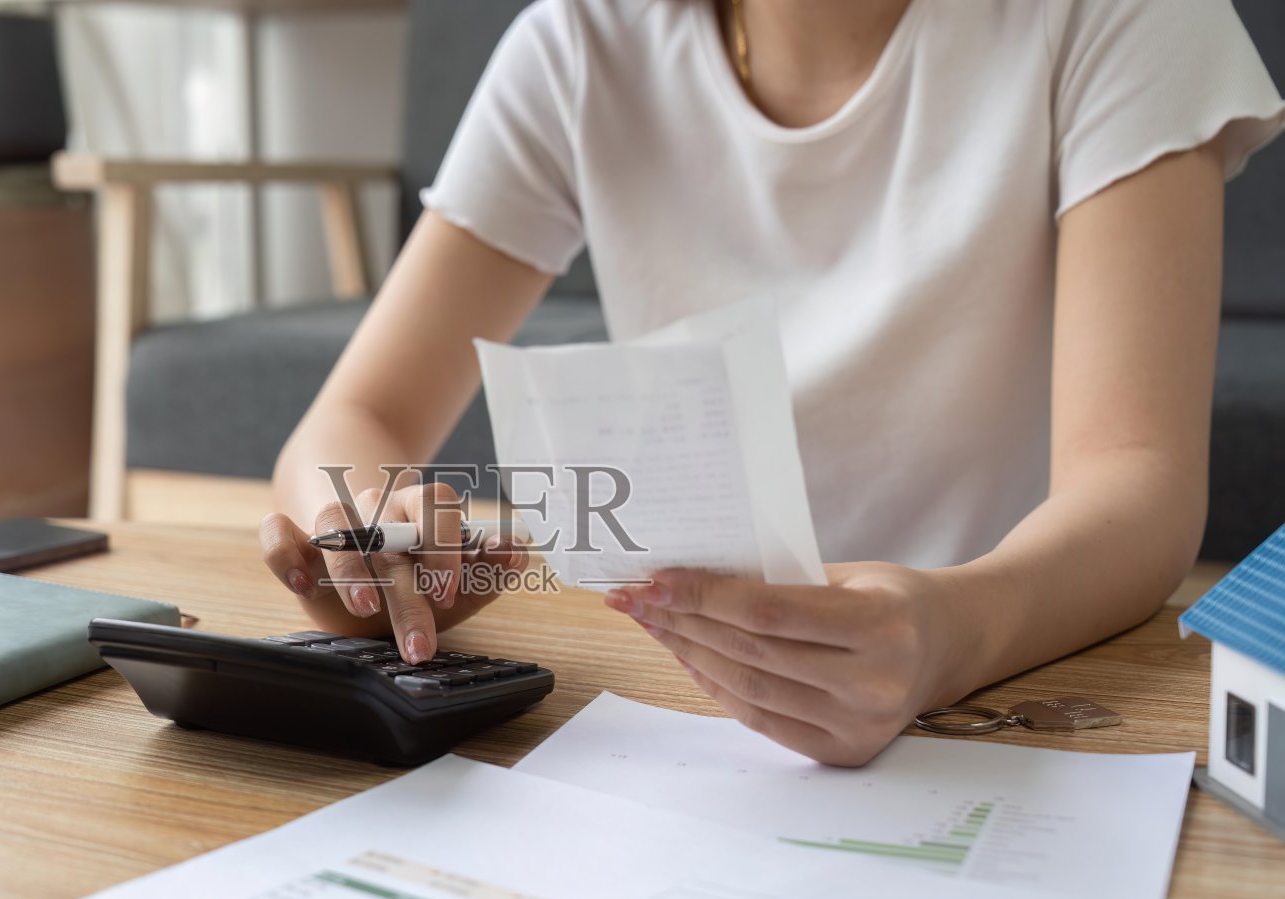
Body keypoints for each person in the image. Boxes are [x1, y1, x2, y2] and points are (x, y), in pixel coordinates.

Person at [259, 0, 1285, 765]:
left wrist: (946, 632)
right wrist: (365, 547)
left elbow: (1138, 485)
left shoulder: (1118, 20)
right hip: (681, 703)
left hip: (1015, 685)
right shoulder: (583, 42)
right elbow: (354, 420)